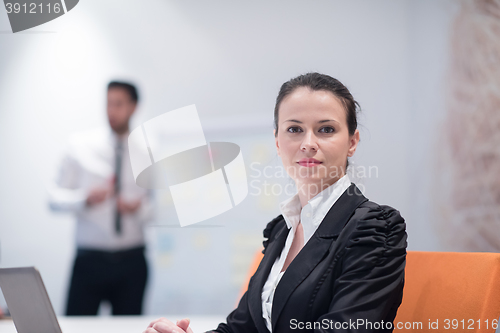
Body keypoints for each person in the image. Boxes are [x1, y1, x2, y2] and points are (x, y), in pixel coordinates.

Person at [144, 72, 407, 332]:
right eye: (294, 129)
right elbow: (242, 328)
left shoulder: (376, 228)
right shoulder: (282, 230)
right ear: (278, 142)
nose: (308, 143)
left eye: (326, 129)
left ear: (352, 142)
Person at [48, 81, 154, 316]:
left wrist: (138, 209)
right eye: (108, 103)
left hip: (132, 261)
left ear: (134, 107)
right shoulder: (80, 146)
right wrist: (83, 199)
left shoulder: (148, 151)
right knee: (76, 327)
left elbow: (161, 207)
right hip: (89, 261)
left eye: (118, 104)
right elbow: (52, 198)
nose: (111, 111)